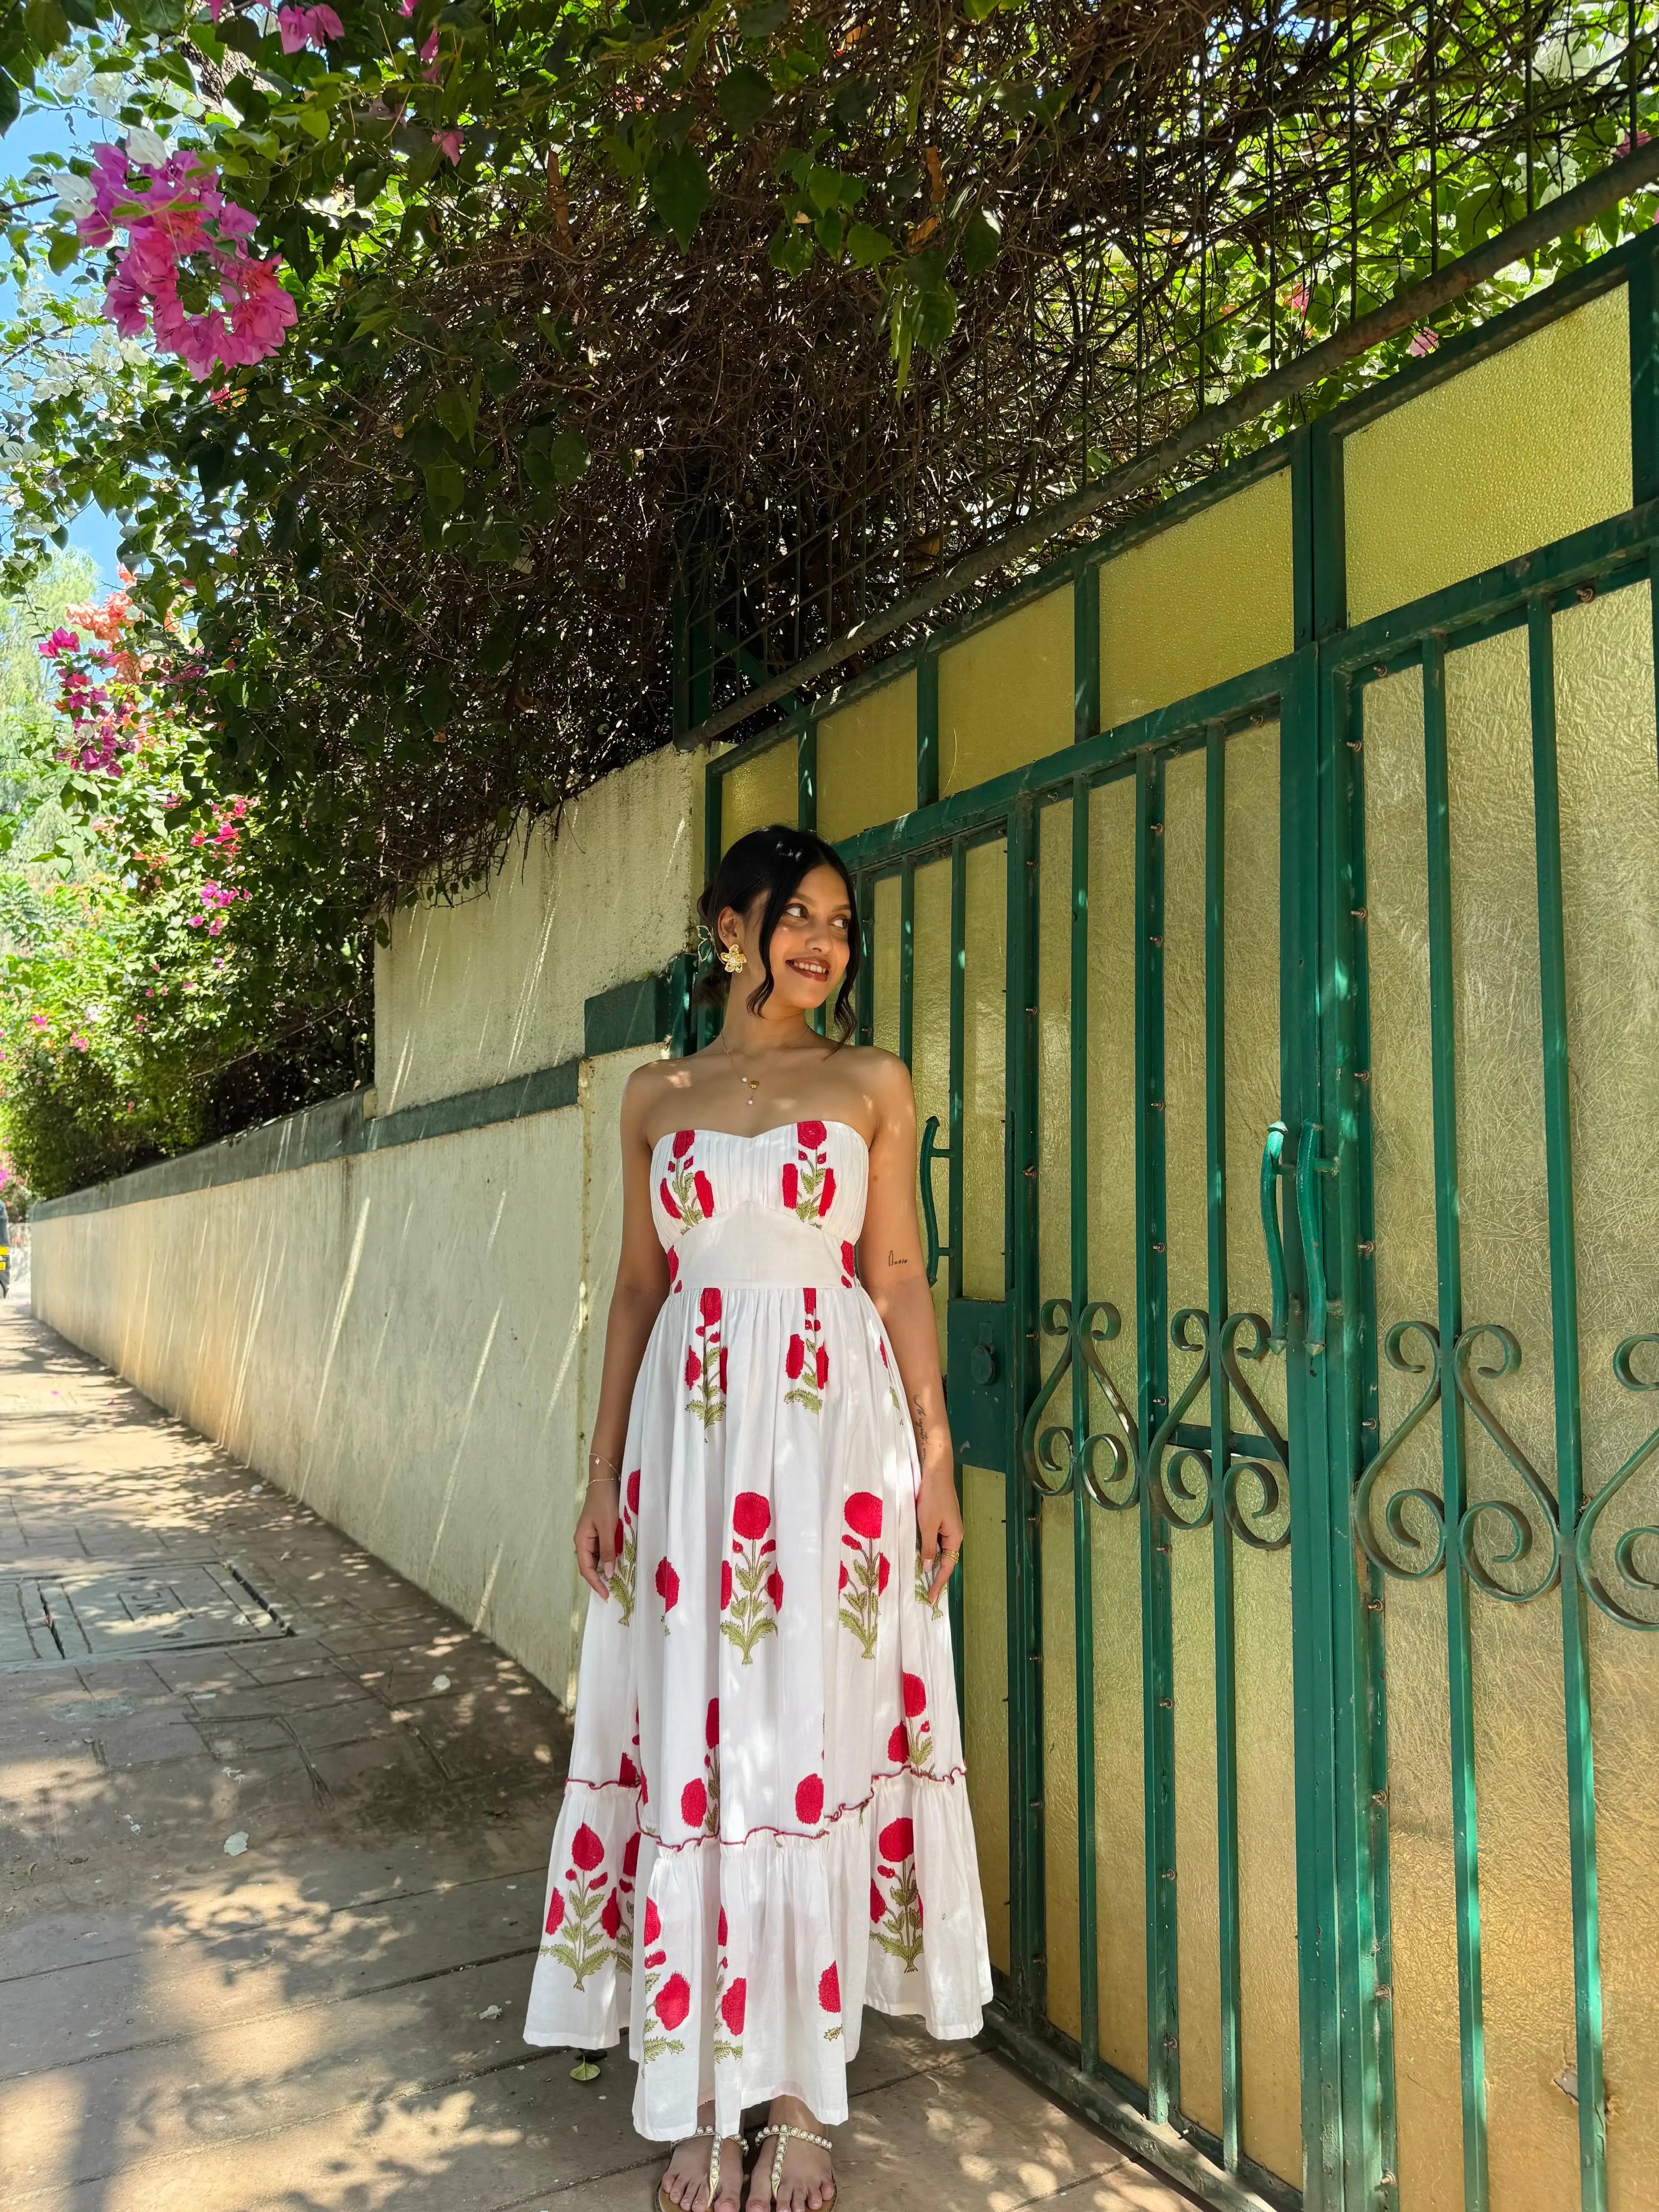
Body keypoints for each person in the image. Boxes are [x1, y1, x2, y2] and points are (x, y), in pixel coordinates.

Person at [525, 825, 991, 2212]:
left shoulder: (869, 1085)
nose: (824, 946)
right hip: (689, 1440)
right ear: (729, 928)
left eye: (841, 924)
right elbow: (632, 1292)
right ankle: (702, 2094)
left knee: (809, 1729)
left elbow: (899, 1273)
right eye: (798, 916)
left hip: (827, 1449)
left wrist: (937, 1452)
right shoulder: (651, 1098)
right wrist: (602, 1469)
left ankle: (796, 2097)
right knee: (696, 1734)